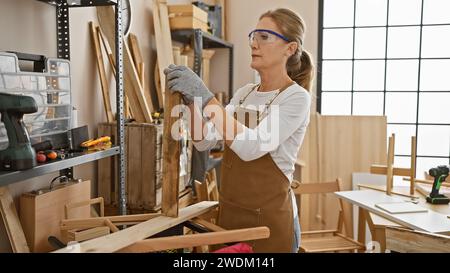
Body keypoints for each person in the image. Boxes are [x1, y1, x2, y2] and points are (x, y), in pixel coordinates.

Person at [164, 8, 314, 253]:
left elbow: (250, 146)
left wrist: (206, 96)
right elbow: (204, 141)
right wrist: (192, 101)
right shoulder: (245, 93)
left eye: (264, 36)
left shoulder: (295, 98)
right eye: (254, 35)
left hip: (269, 225)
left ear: (290, 48)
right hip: (231, 220)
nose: (254, 43)